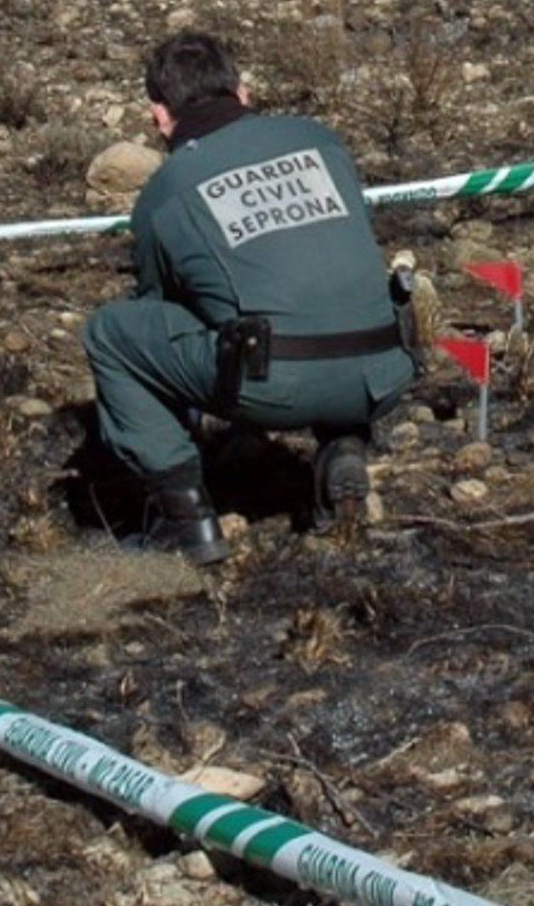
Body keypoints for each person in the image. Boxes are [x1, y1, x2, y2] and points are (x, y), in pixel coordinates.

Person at [83, 33, 418, 564]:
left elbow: (157, 306)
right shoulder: (321, 141)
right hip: (385, 368)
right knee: (321, 285)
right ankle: (343, 449)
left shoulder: (166, 190)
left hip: (274, 382)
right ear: (243, 91)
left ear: (159, 118)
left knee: (111, 333)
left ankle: (185, 517)